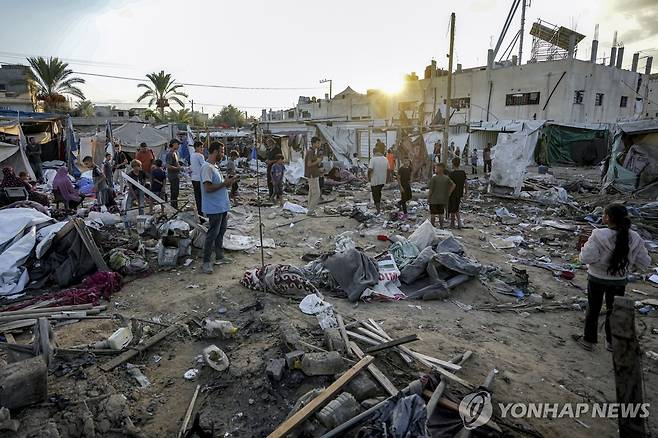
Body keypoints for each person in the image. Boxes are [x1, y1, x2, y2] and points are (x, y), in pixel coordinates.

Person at [575, 204, 651, 352]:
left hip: (597, 278)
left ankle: (589, 341)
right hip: (619, 280)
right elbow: (644, 262)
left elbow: (586, 258)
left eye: (604, 215)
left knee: (593, 309)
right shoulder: (634, 237)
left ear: (608, 218)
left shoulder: (598, 235)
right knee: (614, 310)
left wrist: (584, 250)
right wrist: (630, 265)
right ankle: (611, 342)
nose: (603, 217)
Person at [201, 142, 236, 274]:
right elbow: (208, 188)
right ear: (215, 151)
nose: (223, 154)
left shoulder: (215, 167)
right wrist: (224, 183)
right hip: (214, 207)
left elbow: (219, 185)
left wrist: (228, 182)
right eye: (221, 151)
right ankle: (206, 262)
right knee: (212, 234)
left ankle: (219, 256)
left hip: (221, 206)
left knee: (221, 232)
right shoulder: (207, 167)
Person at [428, 163, 454, 229]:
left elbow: (431, 190)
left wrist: (428, 198)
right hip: (442, 199)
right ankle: (441, 226)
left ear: (440, 169)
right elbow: (453, 185)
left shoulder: (434, 178)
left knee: (433, 214)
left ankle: (432, 226)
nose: (435, 169)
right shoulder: (446, 178)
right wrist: (449, 193)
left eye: (436, 168)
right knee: (441, 214)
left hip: (434, 199)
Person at [368, 145, 389, 214]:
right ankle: (378, 207)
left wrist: (369, 179)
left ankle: (378, 210)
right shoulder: (385, 159)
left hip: (374, 181)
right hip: (382, 180)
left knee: (375, 195)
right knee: (379, 193)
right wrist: (387, 179)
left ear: (374, 152)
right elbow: (389, 170)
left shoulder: (373, 159)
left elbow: (370, 169)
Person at [448, 157, 467, 229]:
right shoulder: (462, 173)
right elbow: (466, 182)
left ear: (453, 164)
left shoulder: (451, 174)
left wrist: (448, 193)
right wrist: (466, 192)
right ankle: (459, 223)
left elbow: (450, 184)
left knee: (452, 209)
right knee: (456, 208)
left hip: (453, 193)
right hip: (460, 193)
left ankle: (453, 223)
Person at [305, 136, 322, 216]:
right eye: (318, 143)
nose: (319, 144)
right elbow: (309, 164)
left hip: (313, 174)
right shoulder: (310, 152)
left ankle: (309, 209)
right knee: (316, 193)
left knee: (311, 192)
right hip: (312, 175)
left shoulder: (313, 151)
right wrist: (318, 161)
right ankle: (310, 211)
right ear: (314, 143)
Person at [190, 140, 205, 215]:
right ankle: (203, 213)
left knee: (197, 198)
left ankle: (200, 214)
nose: (202, 149)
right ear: (196, 148)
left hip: (193, 178)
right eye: (201, 147)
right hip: (199, 179)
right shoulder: (200, 156)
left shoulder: (192, 155)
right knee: (202, 197)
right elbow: (204, 166)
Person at [166, 139, 181, 209]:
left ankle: (175, 206)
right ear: (174, 144)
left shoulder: (175, 153)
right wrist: (177, 168)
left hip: (176, 175)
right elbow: (168, 166)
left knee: (176, 192)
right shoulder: (170, 153)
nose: (179, 146)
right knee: (174, 192)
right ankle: (174, 207)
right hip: (173, 176)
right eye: (178, 144)